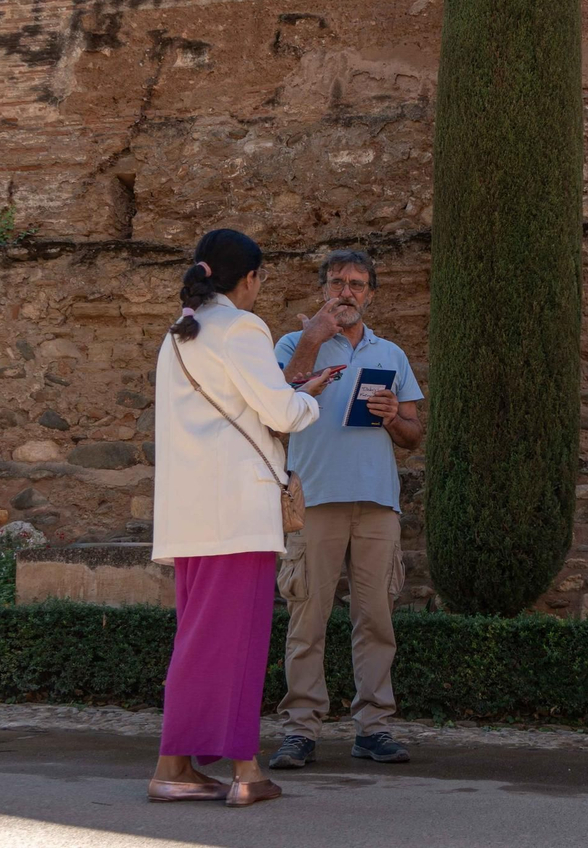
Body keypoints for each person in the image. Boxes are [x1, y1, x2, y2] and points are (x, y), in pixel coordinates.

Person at [148, 228, 339, 807]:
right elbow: (280, 410)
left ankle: (173, 764)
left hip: (191, 515)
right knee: (236, 642)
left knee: (199, 639)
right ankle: (246, 770)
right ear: (249, 278)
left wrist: (290, 390)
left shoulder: (178, 335)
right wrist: (310, 397)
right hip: (238, 512)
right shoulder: (243, 327)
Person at [267, 250, 424, 770]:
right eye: (337, 283)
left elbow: (413, 436)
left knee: (375, 618)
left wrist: (391, 418)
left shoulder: (392, 354)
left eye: (357, 284)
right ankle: (300, 730)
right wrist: (314, 336)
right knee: (307, 618)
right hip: (313, 500)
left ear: (371, 293)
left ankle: (373, 727)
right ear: (323, 290)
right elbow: (276, 408)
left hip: (377, 502)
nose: (346, 292)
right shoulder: (293, 343)